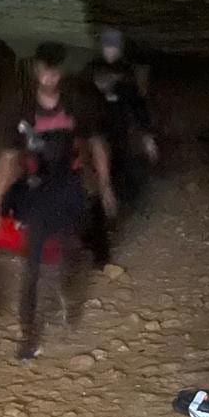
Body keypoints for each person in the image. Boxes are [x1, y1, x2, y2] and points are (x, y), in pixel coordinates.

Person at [0, 42, 115, 360]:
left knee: (71, 252)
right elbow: (8, 158)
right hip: (38, 189)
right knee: (31, 266)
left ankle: (69, 300)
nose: (49, 77)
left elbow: (97, 144)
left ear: (60, 72)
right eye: (44, 70)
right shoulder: (23, 110)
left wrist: (105, 185)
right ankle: (29, 336)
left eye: (54, 70)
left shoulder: (75, 104)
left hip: (69, 187)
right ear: (37, 71)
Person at [83, 28, 158, 265]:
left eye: (114, 47)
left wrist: (147, 136)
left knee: (118, 179)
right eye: (108, 47)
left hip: (119, 138)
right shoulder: (90, 71)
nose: (111, 51)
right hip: (93, 139)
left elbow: (138, 107)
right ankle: (95, 234)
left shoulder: (126, 76)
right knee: (95, 188)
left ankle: (110, 220)